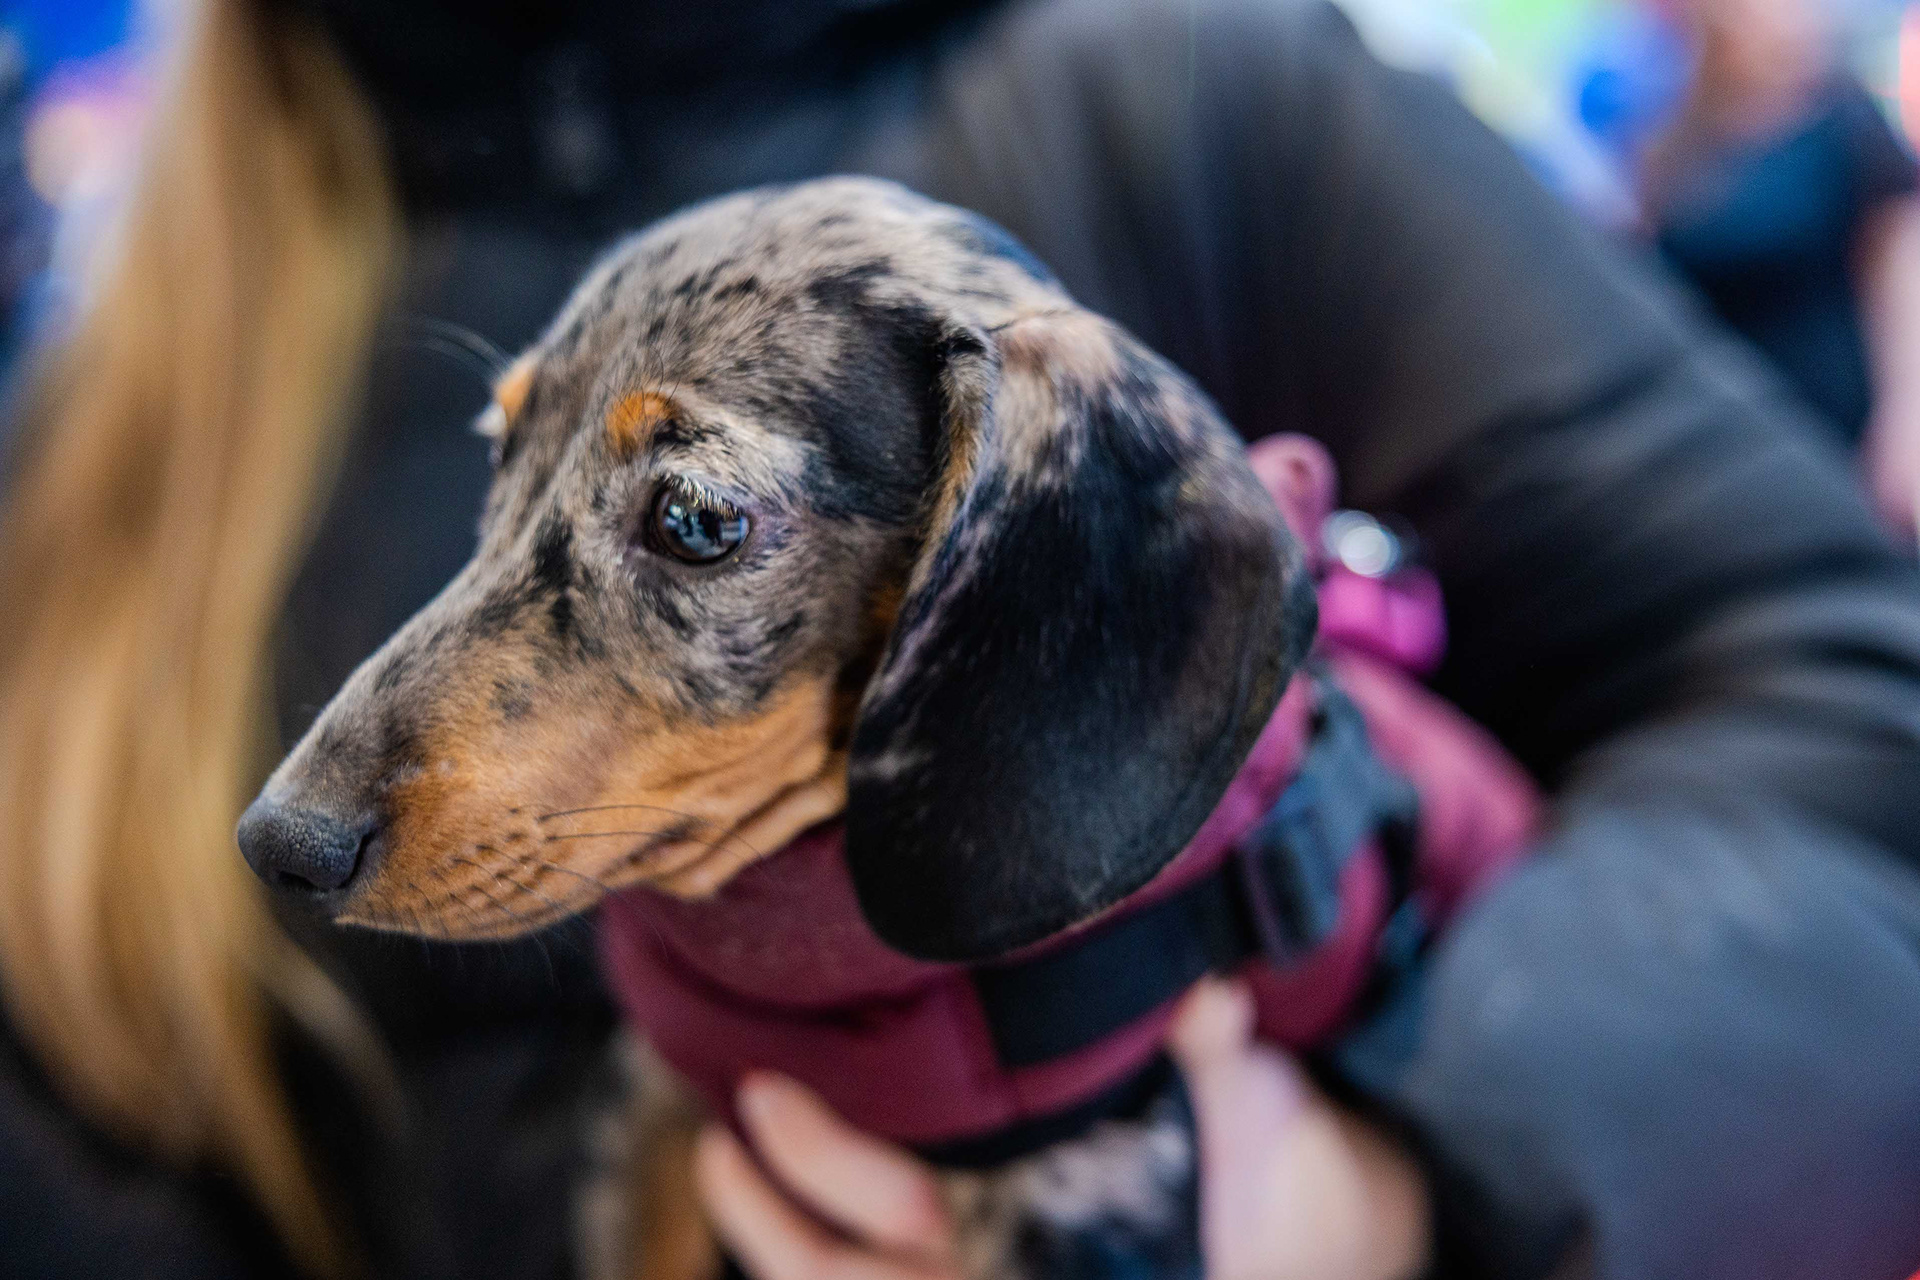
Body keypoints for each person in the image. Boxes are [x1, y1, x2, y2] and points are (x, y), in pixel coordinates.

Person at [2, 1, 1918, 1278]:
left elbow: (1860, 731)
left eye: (693, 521)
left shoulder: (1204, 110)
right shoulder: (132, 370)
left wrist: (1402, 1199)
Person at [1635, 0, 1920, 541]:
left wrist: (1906, 421)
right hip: (1729, 439)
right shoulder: (1677, 145)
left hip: (1840, 419)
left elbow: (1902, 271)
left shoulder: (1840, 118)